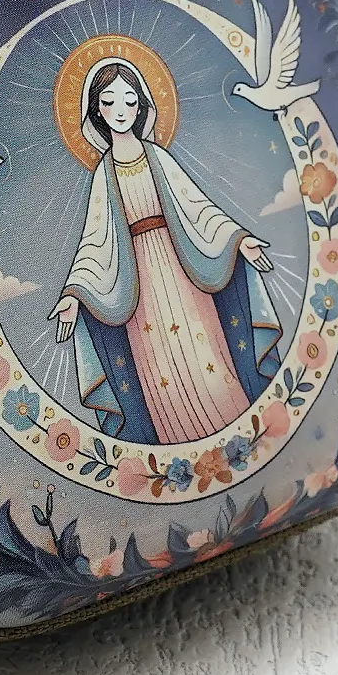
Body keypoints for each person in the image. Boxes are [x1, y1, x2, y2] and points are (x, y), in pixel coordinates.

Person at [49, 61, 283, 445]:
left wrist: (239, 239)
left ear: (141, 106)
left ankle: (237, 431)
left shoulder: (158, 157)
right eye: (109, 101)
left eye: (130, 101)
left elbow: (198, 208)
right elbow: (95, 240)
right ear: (97, 110)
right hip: (138, 287)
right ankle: (179, 447)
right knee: (158, 370)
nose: (121, 110)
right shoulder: (104, 174)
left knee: (204, 352)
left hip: (181, 271)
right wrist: (74, 295)